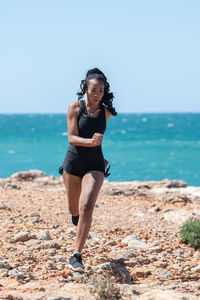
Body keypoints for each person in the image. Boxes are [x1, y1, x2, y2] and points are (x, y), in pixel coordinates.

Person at [58, 67, 117, 272]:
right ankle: (76, 216)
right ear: (85, 88)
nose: (97, 94)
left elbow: (96, 138)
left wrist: (98, 154)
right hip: (73, 163)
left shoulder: (106, 112)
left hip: (94, 164)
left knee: (87, 207)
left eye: (101, 91)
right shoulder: (75, 108)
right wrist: (90, 143)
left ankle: (76, 255)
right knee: (74, 209)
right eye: (93, 90)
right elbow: (72, 138)